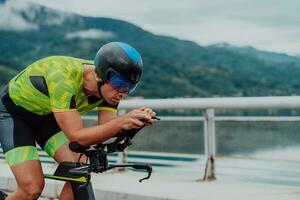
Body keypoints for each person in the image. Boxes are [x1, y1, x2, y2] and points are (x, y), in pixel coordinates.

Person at [0, 42, 157, 200]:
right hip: (13, 114)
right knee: (31, 188)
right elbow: (78, 137)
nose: (123, 91)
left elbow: (107, 131)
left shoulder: (110, 89)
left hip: (46, 116)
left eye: (130, 87)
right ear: (98, 75)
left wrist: (133, 124)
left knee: (79, 168)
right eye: (119, 83)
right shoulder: (63, 79)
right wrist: (122, 121)